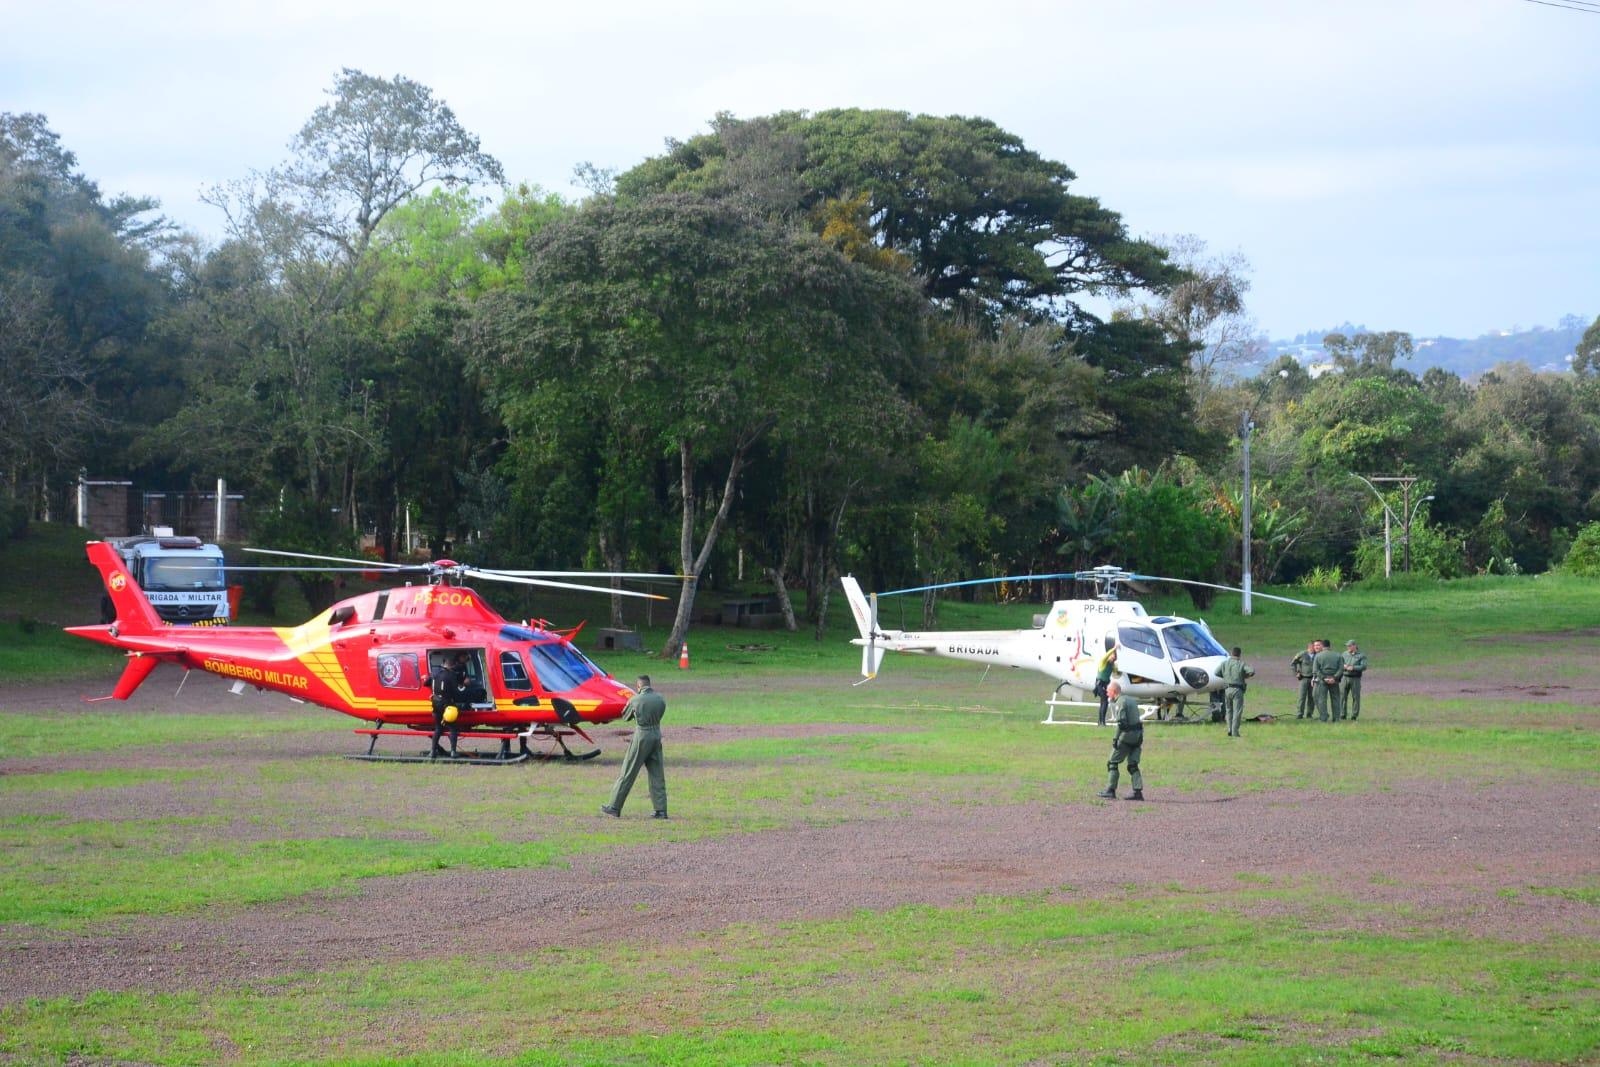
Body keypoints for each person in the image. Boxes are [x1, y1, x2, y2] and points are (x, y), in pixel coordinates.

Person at [601, 675, 669, 819]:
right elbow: (662, 712)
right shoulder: (659, 699)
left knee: (628, 772)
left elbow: (625, 717)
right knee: (657, 774)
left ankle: (614, 806)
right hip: (656, 734)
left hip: (642, 736)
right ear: (649, 685)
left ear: (638, 687)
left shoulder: (635, 699)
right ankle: (661, 810)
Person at [1095, 680, 1144, 801]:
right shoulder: (1131, 700)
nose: (1107, 694)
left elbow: (1121, 724)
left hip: (1127, 736)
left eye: (1108, 691)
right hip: (1138, 736)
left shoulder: (1120, 702)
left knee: (1112, 762)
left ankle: (1110, 790)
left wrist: (1115, 739)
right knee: (1132, 765)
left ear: (1114, 691)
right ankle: (1138, 792)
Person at [429, 651, 469, 758]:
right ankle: (453, 751)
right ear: (451, 664)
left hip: (435, 704)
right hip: (446, 705)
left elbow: (426, 682)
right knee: (453, 728)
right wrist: (464, 687)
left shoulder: (434, 672)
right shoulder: (450, 675)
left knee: (438, 728)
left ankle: (432, 752)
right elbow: (456, 691)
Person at [1217, 646, 1255, 737]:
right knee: (1237, 711)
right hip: (1237, 690)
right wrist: (1244, 676)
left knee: (1228, 710)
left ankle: (1229, 729)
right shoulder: (1241, 664)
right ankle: (1235, 732)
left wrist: (1226, 677)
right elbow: (1252, 671)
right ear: (1239, 654)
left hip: (1227, 689)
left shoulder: (1225, 663)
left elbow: (1216, 672)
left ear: (1231, 653)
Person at [1312, 637, 1344, 722]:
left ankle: (1323, 718)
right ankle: (1336, 718)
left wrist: (1324, 678)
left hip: (1322, 681)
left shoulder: (1318, 656)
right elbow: (1341, 669)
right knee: (1335, 699)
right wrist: (1334, 677)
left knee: (1322, 699)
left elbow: (1316, 670)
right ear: (1330, 646)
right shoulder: (1338, 655)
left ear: (1322, 646)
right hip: (1334, 680)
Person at [1341, 639, 1368, 720]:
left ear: (1354, 646)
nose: (1348, 647)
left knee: (1355, 697)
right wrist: (1344, 666)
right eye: (1347, 646)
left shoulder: (1361, 655)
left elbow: (1364, 666)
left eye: (1349, 646)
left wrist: (1353, 668)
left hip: (1355, 678)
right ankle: (1342, 714)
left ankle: (1354, 715)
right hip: (1345, 677)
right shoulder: (1344, 654)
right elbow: (1340, 663)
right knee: (1342, 696)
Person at [1093, 644, 1118, 726]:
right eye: (1112, 657)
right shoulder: (1103, 662)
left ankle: (1100, 722)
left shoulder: (1112, 665)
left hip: (1105, 685)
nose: (1113, 659)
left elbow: (1117, 672)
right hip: (1099, 684)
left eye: (1114, 658)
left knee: (1103, 702)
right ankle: (1102, 722)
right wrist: (1114, 648)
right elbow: (1106, 655)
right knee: (1105, 702)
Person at [1291, 640, 1316, 719]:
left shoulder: (1318, 655)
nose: (1315, 648)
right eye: (1313, 646)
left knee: (1312, 697)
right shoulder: (1302, 654)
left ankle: (1309, 714)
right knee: (1302, 697)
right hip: (1304, 678)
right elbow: (1293, 663)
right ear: (1309, 647)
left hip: (1313, 679)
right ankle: (1299, 713)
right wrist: (1296, 673)